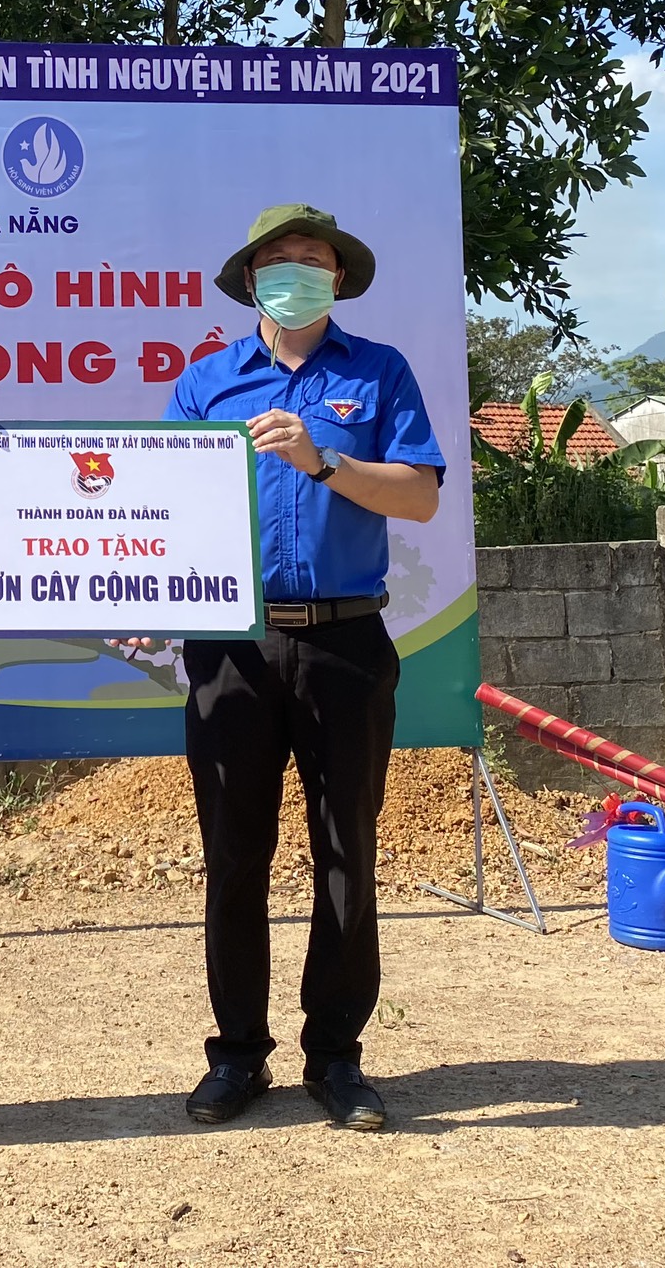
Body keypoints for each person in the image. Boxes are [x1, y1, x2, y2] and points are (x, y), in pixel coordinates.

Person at [161, 204, 444, 1132]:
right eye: (278, 260)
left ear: (338, 277)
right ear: (251, 279)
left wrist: (323, 462)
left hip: (344, 644)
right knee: (233, 856)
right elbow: (155, 503)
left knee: (345, 854)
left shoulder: (379, 372)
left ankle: (337, 1057)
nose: (295, 273)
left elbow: (421, 496)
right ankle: (237, 1054)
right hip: (230, 650)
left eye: (312, 260)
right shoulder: (205, 382)